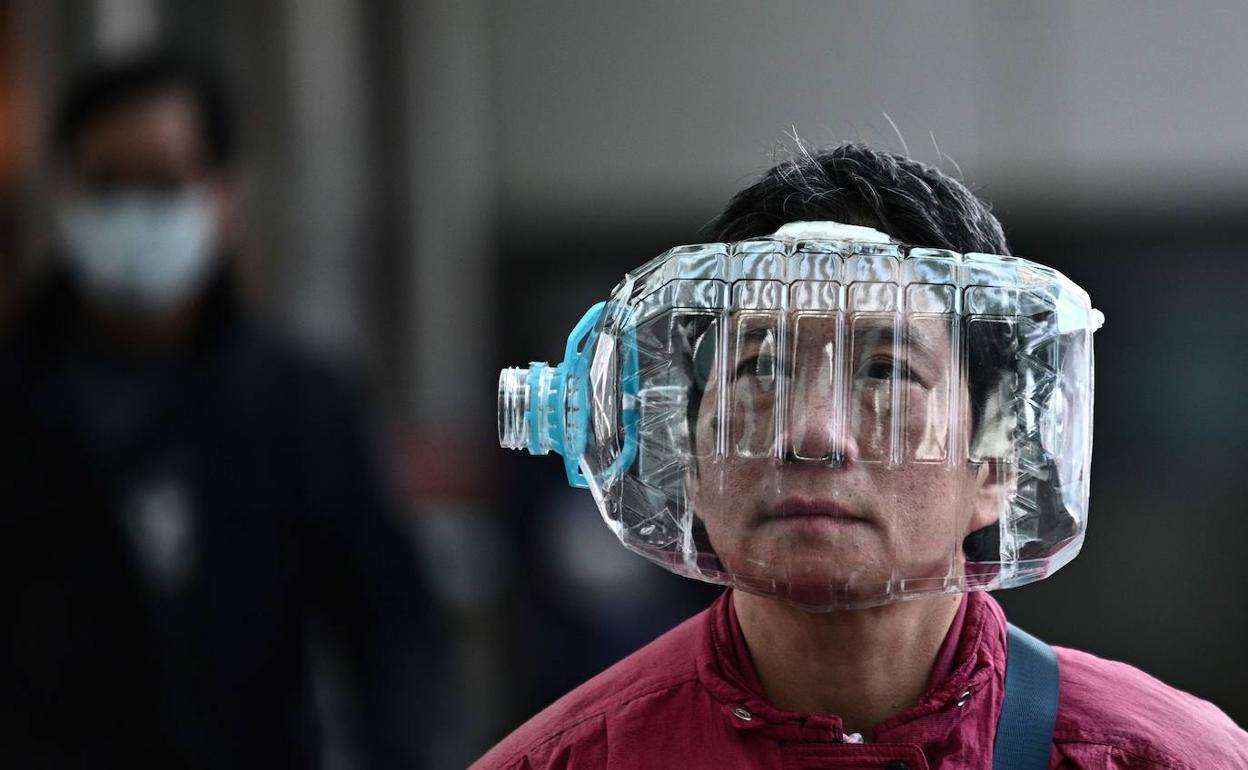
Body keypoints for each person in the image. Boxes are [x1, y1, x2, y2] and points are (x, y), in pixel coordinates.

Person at [476, 143, 1248, 768]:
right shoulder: (575, 758)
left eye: (886, 371)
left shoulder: (1157, 757)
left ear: (998, 462)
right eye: (759, 370)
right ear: (688, 453)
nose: (812, 434)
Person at [0, 50, 438, 769]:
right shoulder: (16, 405)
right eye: (108, 186)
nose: (134, 215)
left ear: (221, 198)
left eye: (162, 184)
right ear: (64, 198)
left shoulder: (298, 405)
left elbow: (391, 632)